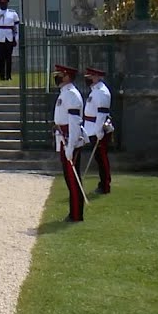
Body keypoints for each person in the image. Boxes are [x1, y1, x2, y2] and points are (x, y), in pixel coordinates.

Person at [52, 65, 86, 222]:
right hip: (64, 138)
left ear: (67, 77)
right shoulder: (65, 93)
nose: (56, 76)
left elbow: (73, 122)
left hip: (69, 139)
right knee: (69, 178)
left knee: (73, 178)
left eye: (59, 74)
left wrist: (70, 146)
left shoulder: (71, 94)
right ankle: (74, 212)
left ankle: (76, 214)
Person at [80, 67, 114, 195]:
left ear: (97, 77)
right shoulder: (95, 90)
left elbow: (102, 113)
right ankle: (103, 183)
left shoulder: (101, 92)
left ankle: (105, 185)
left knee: (102, 158)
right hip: (91, 127)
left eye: (91, 76)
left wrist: (99, 130)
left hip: (97, 128)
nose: (88, 78)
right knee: (99, 158)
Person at [0, 0, 21, 81]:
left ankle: (8, 76)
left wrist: (17, 37)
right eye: (1, 3)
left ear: (7, 4)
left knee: (9, 57)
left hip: (9, 37)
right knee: (1, 58)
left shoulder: (13, 14)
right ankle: (2, 76)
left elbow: (17, 26)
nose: (3, 5)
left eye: (4, 3)